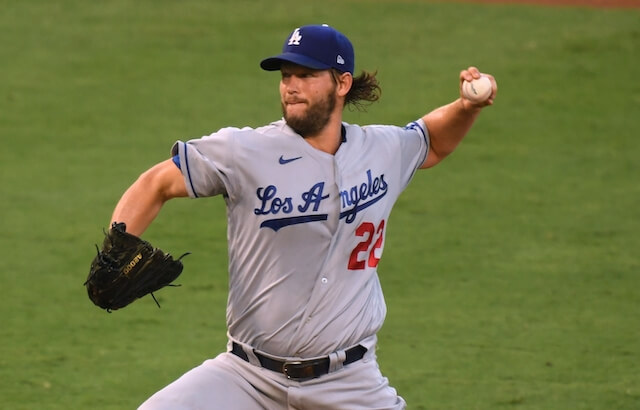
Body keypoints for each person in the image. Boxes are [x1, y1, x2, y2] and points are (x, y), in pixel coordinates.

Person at [112, 24, 496, 410]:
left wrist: (467, 107)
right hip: (247, 377)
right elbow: (156, 183)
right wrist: (116, 245)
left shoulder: (382, 150)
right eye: (286, 76)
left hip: (350, 383)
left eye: (307, 75)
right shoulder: (244, 151)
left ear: (341, 83)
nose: (291, 86)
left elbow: (431, 141)